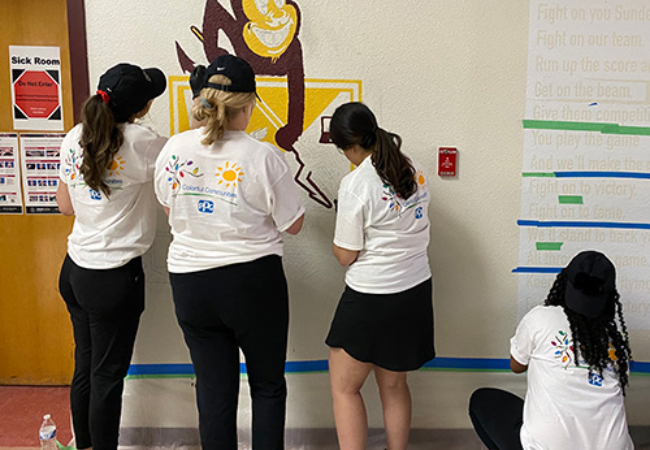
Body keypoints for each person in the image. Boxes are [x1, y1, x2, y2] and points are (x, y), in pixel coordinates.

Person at [154, 54, 305, 450]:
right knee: (267, 385)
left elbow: (171, 208)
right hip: (252, 282)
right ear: (249, 104)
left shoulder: (173, 148)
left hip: (190, 284)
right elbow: (294, 223)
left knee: (213, 390)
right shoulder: (263, 156)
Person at [56, 63, 167, 450]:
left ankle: (82, 443)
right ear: (142, 107)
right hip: (112, 277)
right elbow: (187, 163)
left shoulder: (74, 136)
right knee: (107, 375)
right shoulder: (141, 141)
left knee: (86, 365)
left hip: (74, 271)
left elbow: (64, 206)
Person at [325, 102, 435, 450]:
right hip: (414, 290)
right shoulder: (414, 167)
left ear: (350, 147)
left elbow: (345, 255)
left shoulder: (356, 183)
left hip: (372, 296)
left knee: (345, 387)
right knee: (394, 385)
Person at [469, 250, 634, 450]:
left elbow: (516, 366)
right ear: (609, 298)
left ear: (564, 281)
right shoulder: (616, 345)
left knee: (482, 400)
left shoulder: (541, 318)